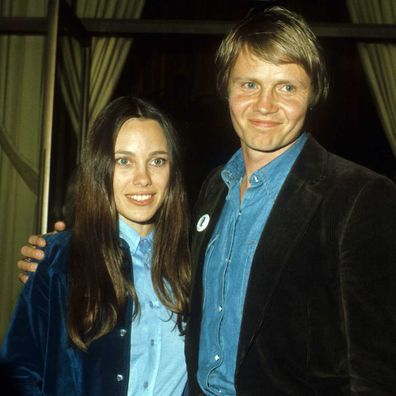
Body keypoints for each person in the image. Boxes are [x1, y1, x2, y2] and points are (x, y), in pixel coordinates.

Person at [16, 6, 396, 395]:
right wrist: (66, 255)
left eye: (286, 86)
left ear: (314, 92)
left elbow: (376, 372)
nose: (264, 105)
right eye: (249, 84)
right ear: (226, 88)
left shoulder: (359, 197)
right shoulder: (214, 190)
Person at [2, 96, 191, 395]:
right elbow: (19, 373)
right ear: (101, 168)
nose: (143, 178)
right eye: (124, 161)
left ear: (172, 171)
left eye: (157, 161)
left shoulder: (192, 267)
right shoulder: (58, 259)